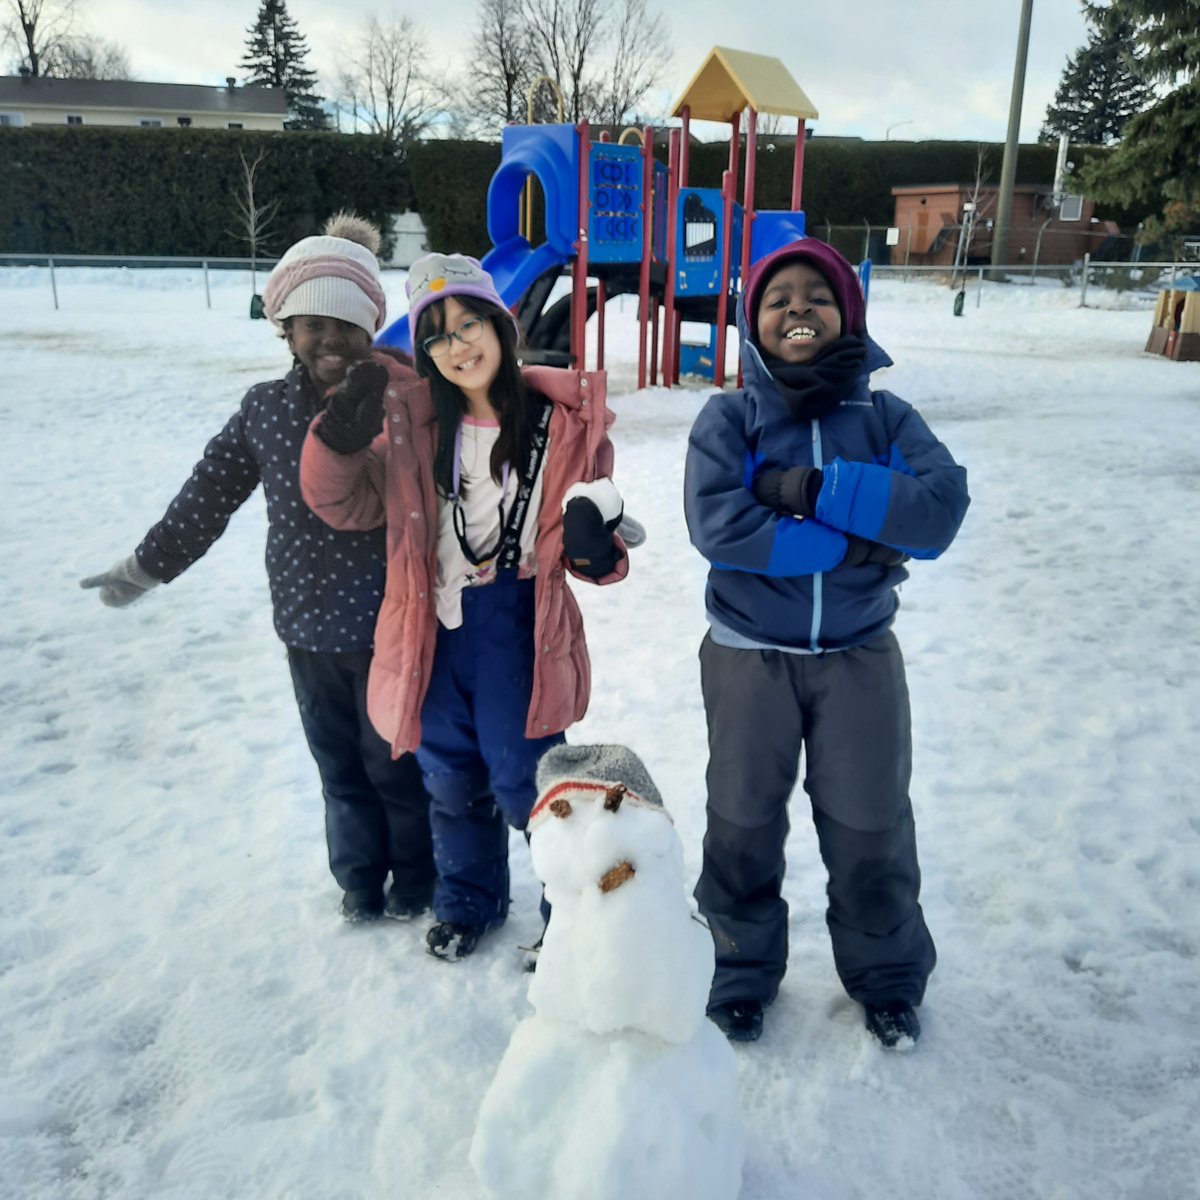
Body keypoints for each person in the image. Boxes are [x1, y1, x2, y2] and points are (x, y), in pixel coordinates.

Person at [80, 213, 435, 925]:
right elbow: (208, 493)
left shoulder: (405, 402)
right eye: (311, 324)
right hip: (305, 628)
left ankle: (419, 880)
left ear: (372, 327)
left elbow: (473, 471)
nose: (330, 340)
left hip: (388, 626)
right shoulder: (265, 411)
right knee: (338, 770)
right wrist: (148, 566)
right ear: (285, 329)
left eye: (346, 324)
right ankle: (361, 881)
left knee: (392, 766)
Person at [299, 252, 630, 962]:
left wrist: (597, 548)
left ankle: (567, 919)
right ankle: (468, 902)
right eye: (437, 336)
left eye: (469, 322)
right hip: (430, 626)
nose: (457, 346)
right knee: (448, 779)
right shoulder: (414, 432)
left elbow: (593, 521)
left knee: (528, 782)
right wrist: (337, 438)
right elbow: (340, 501)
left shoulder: (559, 423)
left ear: (501, 326)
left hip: (517, 623)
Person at [683, 238, 970, 1048]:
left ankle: (886, 978)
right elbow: (723, 526)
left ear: (849, 312)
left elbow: (938, 510)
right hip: (748, 656)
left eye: (817, 294)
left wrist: (813, 490)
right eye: (777, 299)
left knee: (871, 821)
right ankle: (737, 971)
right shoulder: (729, 417)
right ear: (752, 324)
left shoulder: (886, 417)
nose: (797, 307)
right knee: (739, 821)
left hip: (859, 657)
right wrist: (858, 542)